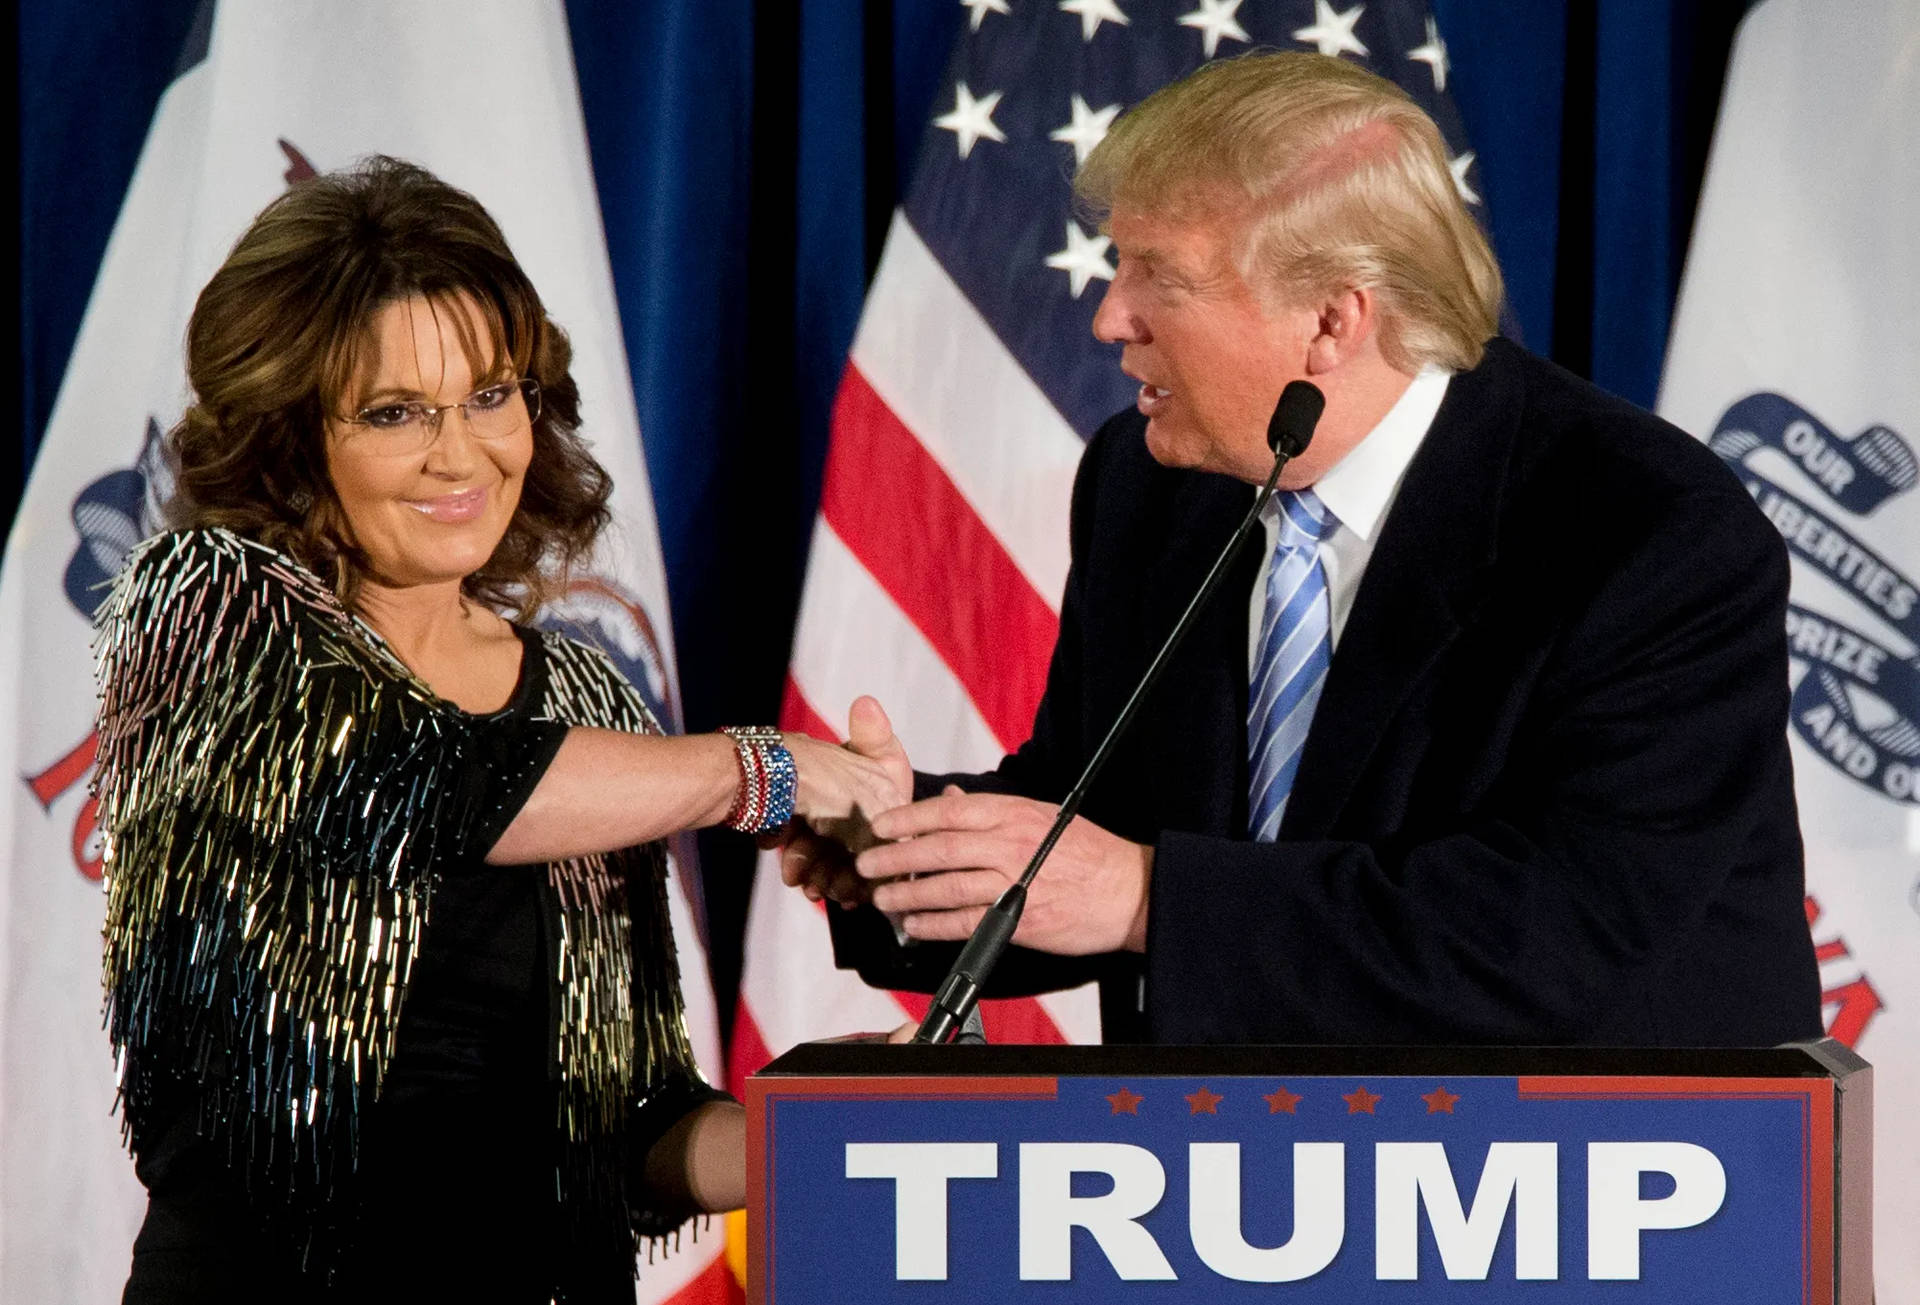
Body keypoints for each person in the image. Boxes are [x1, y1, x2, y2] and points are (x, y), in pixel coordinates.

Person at [787, 53, 1823, 1049]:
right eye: (1116, 263)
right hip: (1237, 1171)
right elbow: (1105, 815)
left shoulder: (1647, 529)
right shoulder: (1149, 485)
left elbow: (1557, 928)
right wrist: (902, 846)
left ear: (1332, 321)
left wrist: (1148, 898)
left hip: (1608, 1182)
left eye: (1160, 276)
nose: (1110, 317)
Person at [94, 157, 896, 1302]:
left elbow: (628, 1135)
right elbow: (418, 785)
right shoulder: (203, 609)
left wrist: (805, 1129)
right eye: (393, 413)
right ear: (286, 435)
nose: (462, 455)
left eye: (490, 395)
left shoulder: (583, 700)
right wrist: (759, 773)